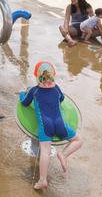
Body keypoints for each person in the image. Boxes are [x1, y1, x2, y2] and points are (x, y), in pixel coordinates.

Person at [20, 61, 82, 190]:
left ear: (37, 77)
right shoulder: (56, 88)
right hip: (60, 124)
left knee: (45, 151)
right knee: (78, 140)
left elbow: (25, 103)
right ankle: (64, 155)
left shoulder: (34, 90)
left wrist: (22, 93)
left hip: (45, 126)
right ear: (53, 75)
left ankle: (43, 180)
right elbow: (62, 99)